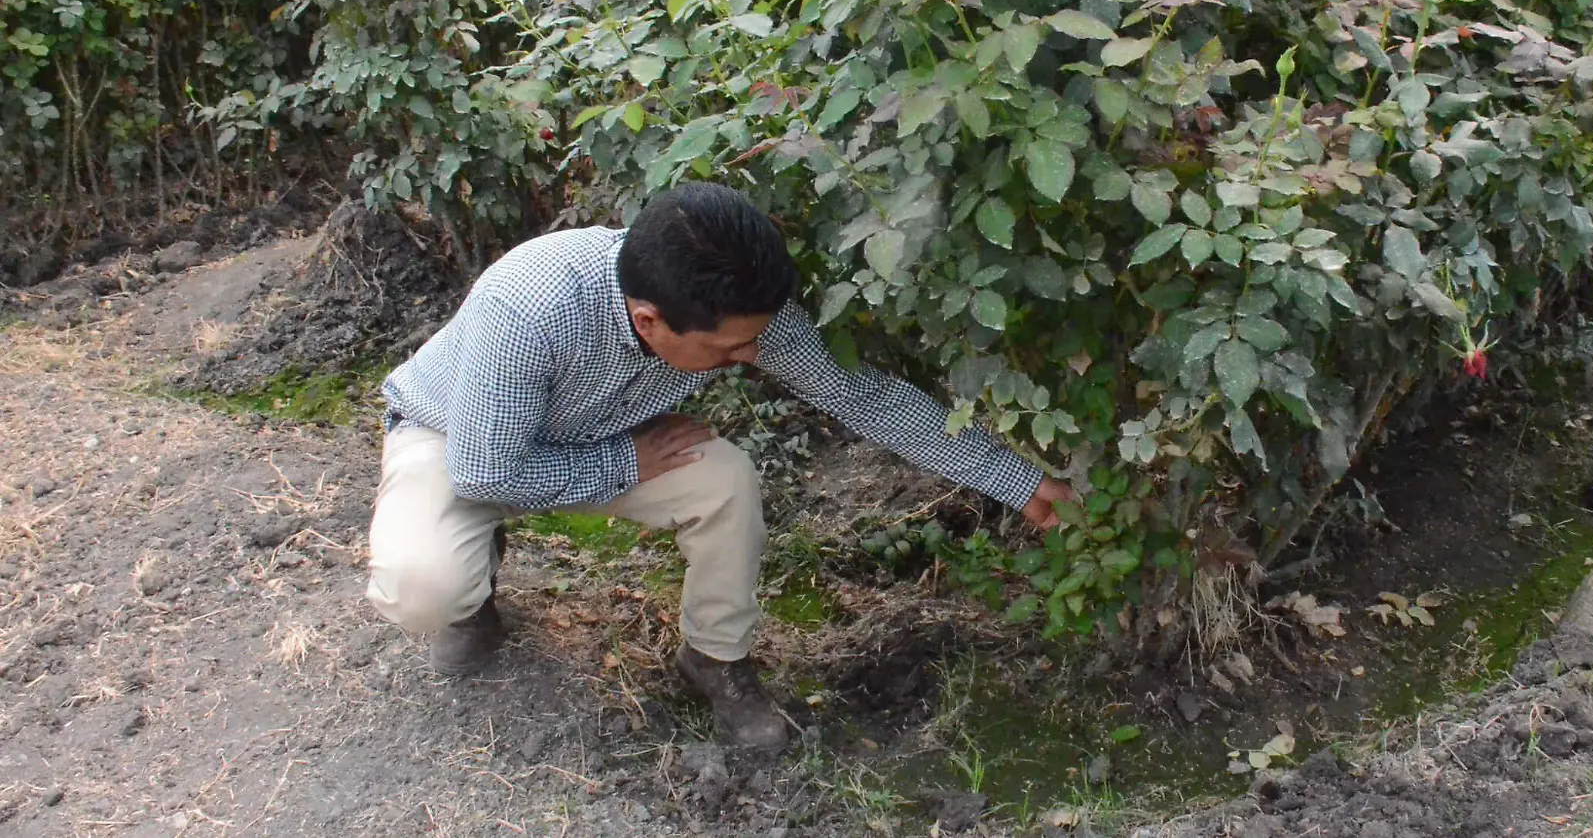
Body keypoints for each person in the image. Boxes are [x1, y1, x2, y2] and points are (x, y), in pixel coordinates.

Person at [364, 181, 1076, 750]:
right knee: (422, 587)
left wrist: (1021, 484)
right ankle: (473, 587)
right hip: (458, 440)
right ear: (649, 320)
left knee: (725, 478)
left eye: (754, 343)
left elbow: (863, 399)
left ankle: (716, 658)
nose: (749, 358)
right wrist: (623, 459)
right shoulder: (530, 305)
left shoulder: (740, 310)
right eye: (730, 350)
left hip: (613, 441)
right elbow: (486, 472)